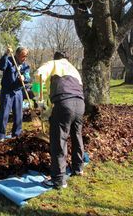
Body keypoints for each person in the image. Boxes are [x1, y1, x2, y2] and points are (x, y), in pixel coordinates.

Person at [33, 51, 85, 189]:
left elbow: (38, 75)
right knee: (77, 135)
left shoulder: (54, 64)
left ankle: (58, 179)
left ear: (56, 58)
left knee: (59, 140)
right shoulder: (74, 69)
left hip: (64, 103)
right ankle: (78, 168)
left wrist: (40, 100)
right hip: (80, 104)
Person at [0, 46, 30, 141]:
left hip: (18, 92)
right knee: (4, 114)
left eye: (26, 56)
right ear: (17, 55)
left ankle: (16, 134)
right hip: (7, 91)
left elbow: (28, 76)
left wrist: (24, 78)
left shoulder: (25, 65)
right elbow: (1, 66)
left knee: (18, 114)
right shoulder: (9, 61)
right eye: (23, 56)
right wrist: (6, 54)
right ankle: (1, 136)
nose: (25, 58)